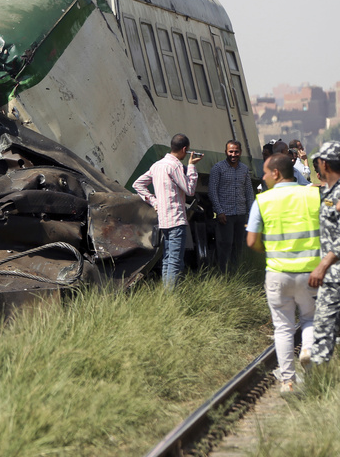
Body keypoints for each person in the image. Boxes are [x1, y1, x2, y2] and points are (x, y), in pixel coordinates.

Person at [246, 153, 321, 394]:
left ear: (276, 173)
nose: (264, 177)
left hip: (278, 273)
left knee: (283, 328)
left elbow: (252, 241)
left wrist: (266, 250)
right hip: (311, 272)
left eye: (266, 172)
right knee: (310, 318)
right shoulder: (313, 195)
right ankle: (308, 348)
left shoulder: (262, 201)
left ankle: (288, 381)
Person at [132, 134, 200, 287]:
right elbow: (190, 190)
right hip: (176, 219)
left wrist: (154, 201)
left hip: (163, 220)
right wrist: (192, 167)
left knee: (168, 259)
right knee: (175, 261)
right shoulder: (174, 166)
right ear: (185, 149)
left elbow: (138, 184)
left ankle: (167, 294)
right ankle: (172, 296)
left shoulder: (157, 165)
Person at [308, 142, 340, 365]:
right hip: (333, 274)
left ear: (325, 163)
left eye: (318, 160)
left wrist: (323, 265)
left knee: (323, 326)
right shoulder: (330, 191)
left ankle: (316, 382)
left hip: (334, 273)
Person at [208, 140, 255, 272]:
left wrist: (250, 213)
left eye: (236, 152)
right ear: (226, 152)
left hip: (240, 214)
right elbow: (212, 191)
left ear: (240, 152)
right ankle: (223, 273)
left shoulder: (244, 169)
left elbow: (249, 192)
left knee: (238, 245)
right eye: (231, 151)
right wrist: (220, 211)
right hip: (225, 215)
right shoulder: (218, 168)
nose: (233, 154)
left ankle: (236, 273)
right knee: (225, 245)